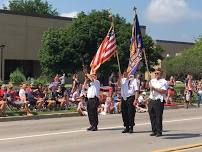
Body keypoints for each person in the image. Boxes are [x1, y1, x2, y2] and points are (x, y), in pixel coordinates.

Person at [148, 68, 168, 137]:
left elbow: (163, 91)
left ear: (161, 74)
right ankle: (154, 130)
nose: (156, 74)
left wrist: (154, 88)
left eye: (157, 73)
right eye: (155, 73)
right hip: (151, 99)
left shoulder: (164, 82)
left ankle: (159, 131)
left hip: (159, 100)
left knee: (158, 116)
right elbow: (149, 88)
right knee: (152, 116)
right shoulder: (152, 81)